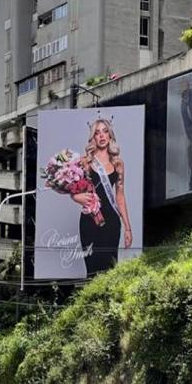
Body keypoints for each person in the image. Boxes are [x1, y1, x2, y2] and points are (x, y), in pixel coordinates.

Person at [71, 118, 133, 276]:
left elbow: (120, 196)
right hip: (89, 219)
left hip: (111, 221)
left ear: (110, 135)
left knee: (110, 268)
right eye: (97, 133)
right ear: (93, 137)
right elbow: (73, 190)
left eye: (105, 131)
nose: (102, 136)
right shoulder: (84, 163)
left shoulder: (118, 164)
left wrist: (127, 228)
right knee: (92, 268)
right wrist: (77, 198)